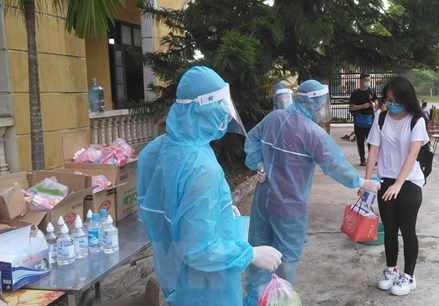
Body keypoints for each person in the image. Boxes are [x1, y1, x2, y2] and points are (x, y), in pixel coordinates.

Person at [137, 66, 283, 306]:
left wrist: (218, 209)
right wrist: (251, 254)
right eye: (219, 106)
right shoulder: (201, 168)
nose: (225, 115)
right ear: (199, 108)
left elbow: (157, 212)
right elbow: (198, 249)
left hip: (174, 274)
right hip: (208, 286)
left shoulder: (155, 151)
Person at [243, 79, 381, 305]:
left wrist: (258, 163)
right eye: (321, 103)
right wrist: (361, 182)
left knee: (259, 248)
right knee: (287, 256)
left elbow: (252, 139)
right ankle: (278, 298)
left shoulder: (274, 117)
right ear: (314, 103)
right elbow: (334, 165)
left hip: (263, 200)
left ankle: (253, 298)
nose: (322, 109)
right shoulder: (312, 133)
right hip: (289, 205)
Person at [364, 76, 429, 297]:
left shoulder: (415, 120)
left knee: (407, 230)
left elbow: (413, 153)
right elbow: (374, 149)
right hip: (385, 180)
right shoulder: (381, 118)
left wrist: (399, 183)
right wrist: (367, 181)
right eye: (388, 99)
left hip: (409, 181)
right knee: (390, 230)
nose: (391, 103)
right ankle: (391, 269)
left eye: (395, 99)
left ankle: (409, 276)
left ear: (406, 98)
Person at [349, 73, 378, 166]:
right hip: (359, 121)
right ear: (361, 80)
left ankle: (372, 159)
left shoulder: (371, 91)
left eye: (369, 80)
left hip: (370, 120)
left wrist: (374, 104)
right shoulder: (355, 93)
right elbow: (352, 107)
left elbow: (376, 101)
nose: (368, 82)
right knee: (360, 141)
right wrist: (362, 106)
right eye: (366, 80)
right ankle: (362, 159)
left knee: (371, 140)